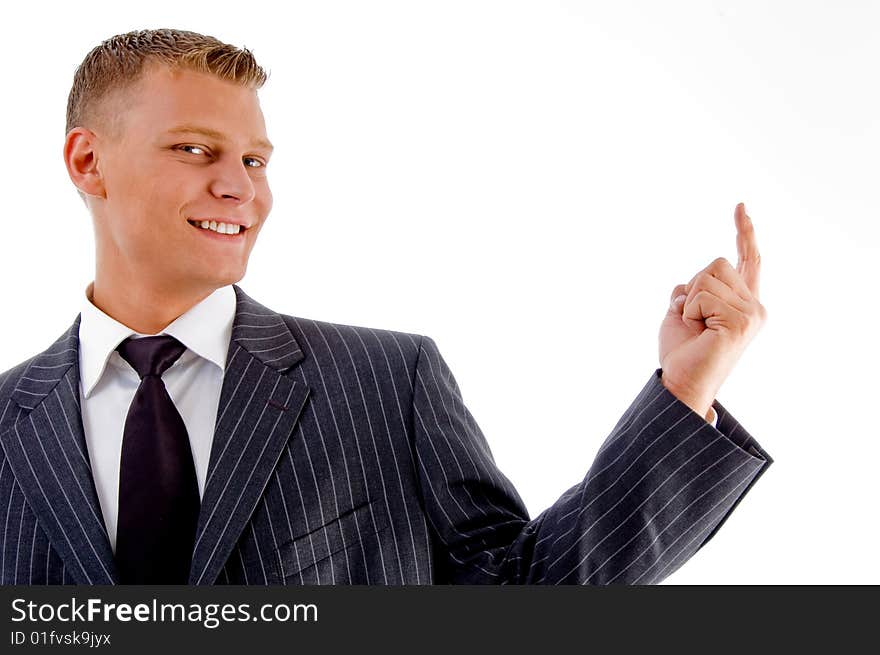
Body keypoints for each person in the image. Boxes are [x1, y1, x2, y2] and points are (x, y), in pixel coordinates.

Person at [0, 28, 771, 585]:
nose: (240, 186)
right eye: (195, 149)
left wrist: (684, 391)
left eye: (255, 159)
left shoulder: (386, 382)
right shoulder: (9, 420)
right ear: (88, 160)